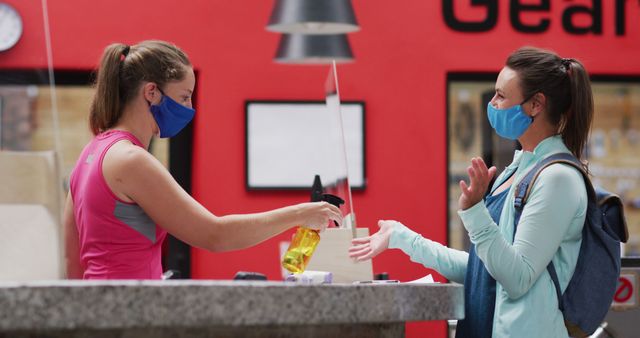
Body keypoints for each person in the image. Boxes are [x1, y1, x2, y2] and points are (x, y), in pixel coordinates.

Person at [349, 46, 593, 338]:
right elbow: (484, 273)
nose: (493, 103)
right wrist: (403, 238)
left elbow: (517, 278)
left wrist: (475, 210)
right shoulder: (519, 170)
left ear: (535, 104)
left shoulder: (557, 178)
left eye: (501, 95)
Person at [64, 40, 342, 280]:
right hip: (130, 312)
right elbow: (215, 235)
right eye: (184, 97)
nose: (189, 108)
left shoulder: (90, 154)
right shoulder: (131, 160)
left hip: (103, 307)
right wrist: (300, 214)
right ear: (151, 92)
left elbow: (74, 262)